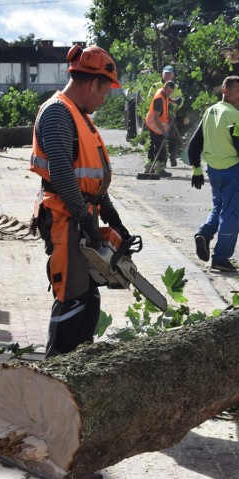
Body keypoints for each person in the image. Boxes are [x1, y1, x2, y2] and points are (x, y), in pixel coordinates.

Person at [30, 44, 131, 358]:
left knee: (88, 299)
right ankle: (56, 366)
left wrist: (110, 215)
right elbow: (61, 174)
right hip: (65, 217)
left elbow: (90, 177)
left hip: (80, 214)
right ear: (91, 84)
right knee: (71, 297)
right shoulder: (58, 113)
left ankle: (80, 368)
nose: (104, 99)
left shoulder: (80, 117)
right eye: (104, 91)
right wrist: (86, 219)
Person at [188, 75, 239, 273]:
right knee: (232, 214)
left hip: (214, 170)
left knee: (219, 206)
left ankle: (204, 233)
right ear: (225, 90)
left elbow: (194, 144)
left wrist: (196, 169)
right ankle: (220, 258)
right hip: (232, 171)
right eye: (237, 91)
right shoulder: (234, 115)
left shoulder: (209, 112)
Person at [147, 65, 185, 167]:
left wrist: (175, 103)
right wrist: (163, 108)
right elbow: (151, 100)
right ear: (162, 75)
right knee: (157, 142)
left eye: (169, 74)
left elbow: (170, 98)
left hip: (169, 116)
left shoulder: (174, 87)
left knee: (172, 137)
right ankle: (157, 164)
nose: (167, 76)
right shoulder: (156, 87)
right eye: (166, 74)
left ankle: (171, 156)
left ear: (172, 75)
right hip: (157, 118)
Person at [142, 80, 175, 178]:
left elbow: (167, 98)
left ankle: (149, 167)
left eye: (171, 92)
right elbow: (156, 117)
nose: (169, 93)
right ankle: (159, 169)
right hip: (154, 125)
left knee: (153, 146)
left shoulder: (162, 92)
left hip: (155, 125)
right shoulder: (159, 101)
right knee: (160, 147)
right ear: (165, 88)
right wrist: (164, 131)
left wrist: (174, 100)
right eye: (168, 91)